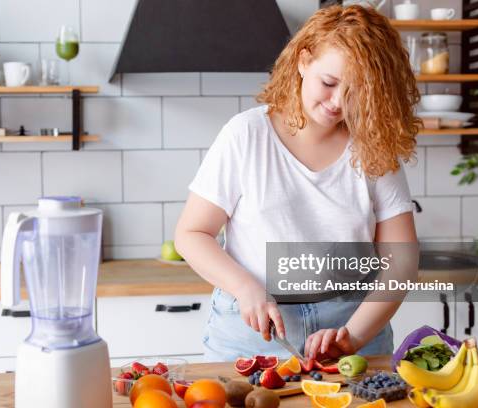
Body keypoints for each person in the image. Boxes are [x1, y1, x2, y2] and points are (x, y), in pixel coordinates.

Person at [174, 4, 419, 362]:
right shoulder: (246, 135)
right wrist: (245, 287)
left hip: (352, 324)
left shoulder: (374, 146)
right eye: (330, 83)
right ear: (304, 62)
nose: (338, 103)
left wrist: (354, 334)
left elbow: (401, 263)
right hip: (253, 328)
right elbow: (191, 234)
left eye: (356, 92)